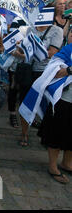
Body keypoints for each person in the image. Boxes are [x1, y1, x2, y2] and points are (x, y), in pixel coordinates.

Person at [18, 22, 63, 147]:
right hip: (28, 69)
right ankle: (24, 133)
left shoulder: (56, 30)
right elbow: (26, 49)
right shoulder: (30, 29)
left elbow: (53, 52)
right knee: (25, 100)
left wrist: (36, 51)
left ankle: (46, 134)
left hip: (45, 72)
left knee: (46, 104)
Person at [37, 40, 72, 184]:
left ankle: (67, 163)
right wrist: (69, 70)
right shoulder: (68, 50)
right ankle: (53, 166)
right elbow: (55, 71)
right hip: (64, 99)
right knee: (56, 132)